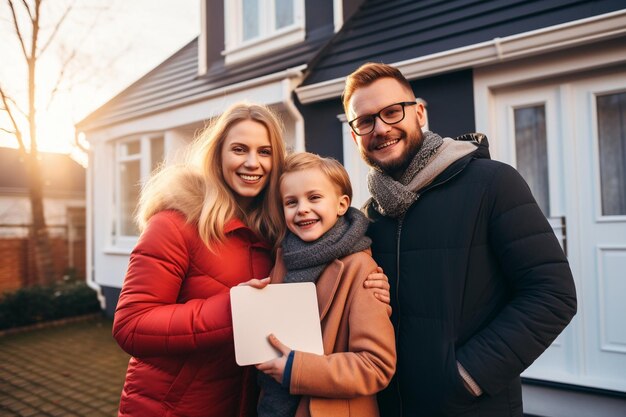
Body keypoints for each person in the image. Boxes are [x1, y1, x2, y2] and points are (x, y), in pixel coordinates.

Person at [112, 102, 391, 417]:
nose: (251, 162)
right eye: (239, 149)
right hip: (171, 407)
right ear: (218, 155)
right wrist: (235, 309)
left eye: (265, 152)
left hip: (247, 404)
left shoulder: (278, 234)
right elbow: (130, 326)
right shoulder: (175, 223)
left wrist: (371, 282)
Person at [342, 63, 577, 417]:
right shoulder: (369, 218)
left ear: (419, 112)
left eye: (392, 112)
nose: (381, 128)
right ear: (354, 135)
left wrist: (467, 376)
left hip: (473, 407)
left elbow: (552, 294)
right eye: (365, 121)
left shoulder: (492, 183)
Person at [255, 152, 396, 417]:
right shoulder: (283, 259)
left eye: (314, 197)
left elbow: (376, 366)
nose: (302, 208)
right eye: (291, 202)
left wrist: (296, 369)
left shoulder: (360, 269)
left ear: (341, 205)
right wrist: (252, 304)